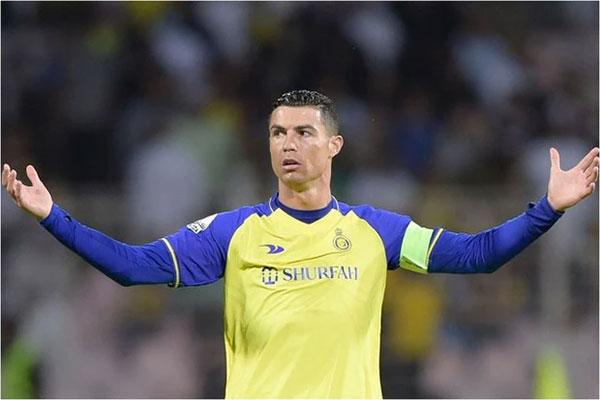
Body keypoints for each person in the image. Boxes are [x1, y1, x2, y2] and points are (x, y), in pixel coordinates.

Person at [2, 90, 599, 399]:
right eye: (277, 133)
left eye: (304, 133)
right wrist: (54, 216)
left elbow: (477, 256)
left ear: (334, 145)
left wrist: (548, 209)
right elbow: (133, 268)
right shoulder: (233, 233)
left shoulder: (376, 231)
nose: (288, 144)